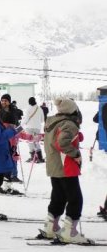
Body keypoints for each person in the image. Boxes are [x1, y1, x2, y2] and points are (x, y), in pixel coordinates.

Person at [40, 97, 91, 243]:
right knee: (75, 199)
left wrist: (76, 137)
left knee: (58, 197)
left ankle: (51, 227)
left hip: (54, 166)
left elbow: (57, 138)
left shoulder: (53, 122)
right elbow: (62, 143)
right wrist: (75, 154)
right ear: (72, 110)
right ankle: (70, 232)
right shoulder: (69, 123)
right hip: (66, 167)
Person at [0, 94, 22, 183]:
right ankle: (6, 175)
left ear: (9, 102)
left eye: (5, 100)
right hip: (4, 140)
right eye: (2, 100)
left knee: (15, 157)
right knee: (5, 158)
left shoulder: (14, 111)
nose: (4, 102)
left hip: (14, 140)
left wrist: (20, 132)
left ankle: (14, 175)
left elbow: (18, 125)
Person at [23, 97, 45, 163]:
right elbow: (42, 120)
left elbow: (26, 119)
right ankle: (40, 158)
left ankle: (33, 157)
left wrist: (23, 124)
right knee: (36, 142)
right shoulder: (40, 108)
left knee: (30, 142)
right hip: (37, 128)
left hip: (29, 127)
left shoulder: (28, 108)